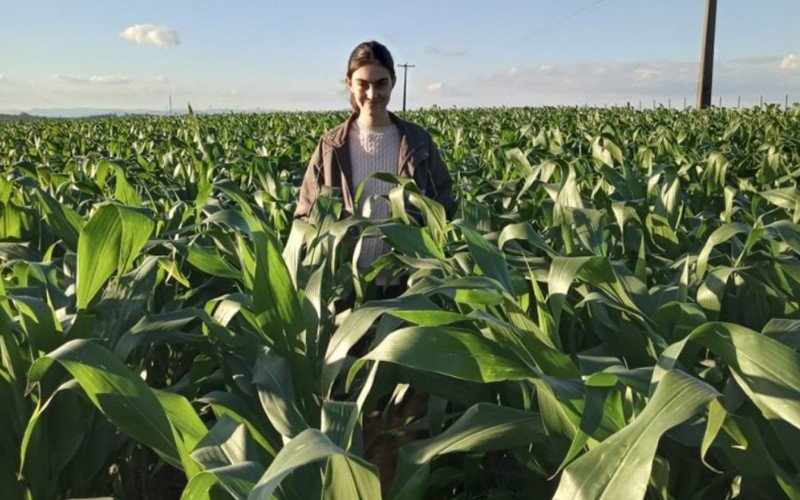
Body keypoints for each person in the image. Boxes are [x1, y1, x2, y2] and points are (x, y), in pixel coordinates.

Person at [294, 41, 456, 291]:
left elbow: (443, 207)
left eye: (381, 83)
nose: (372, 94)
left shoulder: (418, 143)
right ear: (349, 83)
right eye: (363, 84)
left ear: (393, 81)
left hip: (406, 288)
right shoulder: (331, 147)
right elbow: (306, 216)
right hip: (345, 288)